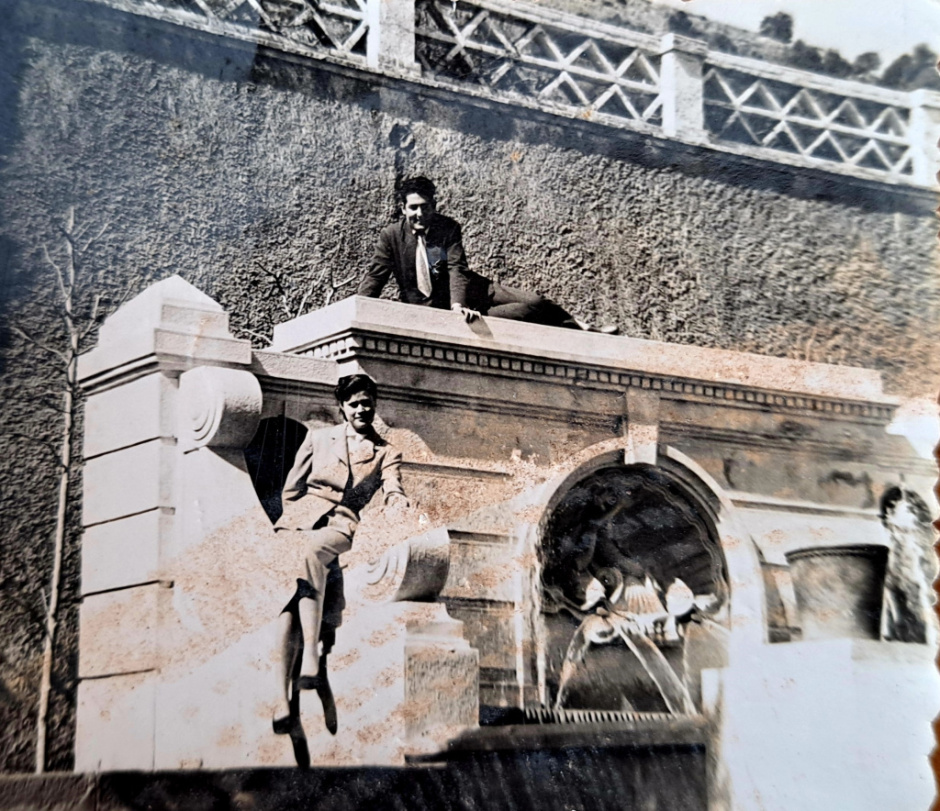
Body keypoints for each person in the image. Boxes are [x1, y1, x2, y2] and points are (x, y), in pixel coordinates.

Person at [271, 374, 408, 736]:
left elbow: (393, 486)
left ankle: (312, 663)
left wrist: (397, 500)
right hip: (299, 523)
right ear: (343, 408)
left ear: (374, 405)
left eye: (367, 402)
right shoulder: (318, 438)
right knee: (286, 605)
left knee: (312, 553)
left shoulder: (386, 451)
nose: (361, 409)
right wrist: (294, 521)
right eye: (354, 403)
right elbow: (292, 489)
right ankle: (283, 703)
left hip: (340, 526)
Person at [357, 176, 617, 333]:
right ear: (403, 208)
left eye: (425, 207)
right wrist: (357, 307)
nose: (420, 214)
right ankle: (569, 330)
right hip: (439, 308)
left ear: (434, 206)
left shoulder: (448, 227)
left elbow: (456, 268)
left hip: (475, 289)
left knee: (536, 300)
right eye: (413, 208)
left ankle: (581, 326)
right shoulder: (391, 236)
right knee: (525, 311)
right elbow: (375, 277)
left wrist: (458, 303)